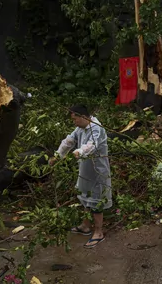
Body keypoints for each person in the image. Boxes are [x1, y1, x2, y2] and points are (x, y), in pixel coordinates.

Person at [49, 104, 112, 249]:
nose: (74, 122)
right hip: (85, 169)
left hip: (98, 170)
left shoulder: (97, 128)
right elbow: (68, 141)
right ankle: (85, 226)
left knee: (97, 200)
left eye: (75, 119)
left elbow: (91, 145)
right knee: (85, 196)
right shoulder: (80, 129)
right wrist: (58, 156)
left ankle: (98, 232)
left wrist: (79, 152)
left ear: (84, 117)